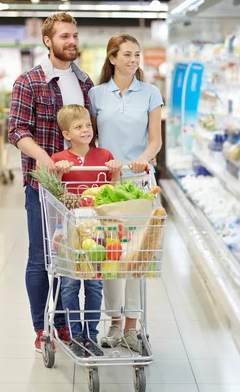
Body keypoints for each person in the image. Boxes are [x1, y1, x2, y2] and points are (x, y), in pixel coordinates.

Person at [8, 12, 95, 353]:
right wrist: (47, 160)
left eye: (74, 35)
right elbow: (16, 130)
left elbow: (91, 132)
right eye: (64, 36)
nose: (71, 41)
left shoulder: (85, 83)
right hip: (43, 186)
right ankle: (42, 326)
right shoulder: (29, 82)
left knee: (74, 255)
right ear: (48, 41)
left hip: (81, 186)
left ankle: (65, 323)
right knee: (42, 256)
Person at [88, 34, 163, 350]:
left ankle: (132, 326)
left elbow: (155, 140)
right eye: (127, 54)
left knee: (136, 259)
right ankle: (114, 324)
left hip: (139, 186)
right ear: (113, 58)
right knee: (110, 258)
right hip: (107, 186)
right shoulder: (96, 94)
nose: (134, 60)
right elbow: (89, 139)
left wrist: (141, 161)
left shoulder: (150, 93)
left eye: (137, 54)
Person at [51, 104, 122, 357]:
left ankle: (90, 335)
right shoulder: (59, 160)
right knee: (70, 285)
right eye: (78, 127)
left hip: (97, 234)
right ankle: (74, 334)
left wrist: (114, 174)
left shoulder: (104, 156)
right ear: (66, 134)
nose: (85, 130)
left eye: (88, 126)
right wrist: (58, 175)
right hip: (69, 232)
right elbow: (54, 195)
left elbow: (112, 193)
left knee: (94, 286)